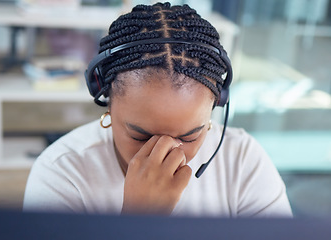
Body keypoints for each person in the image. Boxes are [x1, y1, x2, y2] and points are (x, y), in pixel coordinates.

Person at [23, 2, 292, 217]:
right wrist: (137, 219)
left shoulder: (244, 161)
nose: (167, 153)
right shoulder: (60, 173)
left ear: (216, 105)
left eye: (190, 136)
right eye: (141, 136)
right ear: (108, 104)